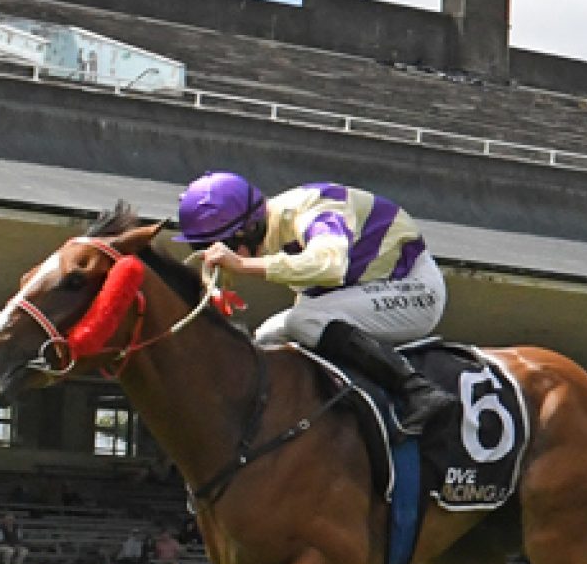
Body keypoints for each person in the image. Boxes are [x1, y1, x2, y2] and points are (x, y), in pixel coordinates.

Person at [173, 171, 456, 434]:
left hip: (414, 290)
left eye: (221, 245)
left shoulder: (312, 208)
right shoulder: (271, 230)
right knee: (265, 337)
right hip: (369, 288)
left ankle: (417, 389)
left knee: (304, 319)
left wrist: (245, 264)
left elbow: (331, 265)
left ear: (249, 227)